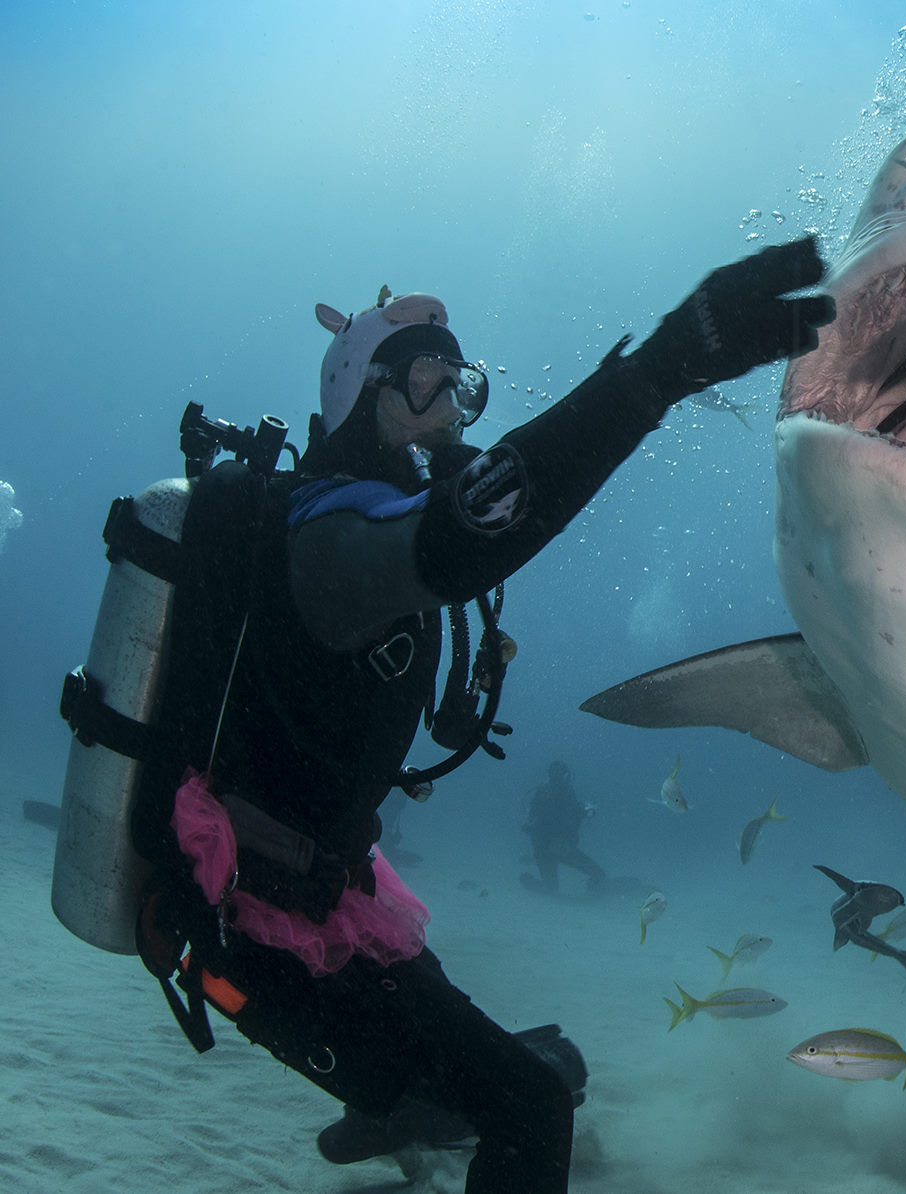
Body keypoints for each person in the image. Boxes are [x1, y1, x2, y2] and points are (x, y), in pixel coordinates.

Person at [128, 237, 834, 1194]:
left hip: (332, 898)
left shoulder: (356, 514)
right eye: (424, 378)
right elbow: (464, 537)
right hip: (250, 921)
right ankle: (392, 1096)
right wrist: (661, 368)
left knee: (529, 1072)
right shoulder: (328, 534)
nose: (446, 408)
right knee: (528, 1106)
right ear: (356, 388)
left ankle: (386, 1110)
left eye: (459, 385)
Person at [521, 761, 605, 894]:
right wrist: (588, 811)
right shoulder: (566, 792)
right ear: (565, 775)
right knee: (599, 875)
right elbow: (570, 813)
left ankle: (529, 881)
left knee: (551, 888)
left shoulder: (542, 791)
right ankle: (596, 888)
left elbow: (536, 818)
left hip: (543, 848)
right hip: (561, 849)